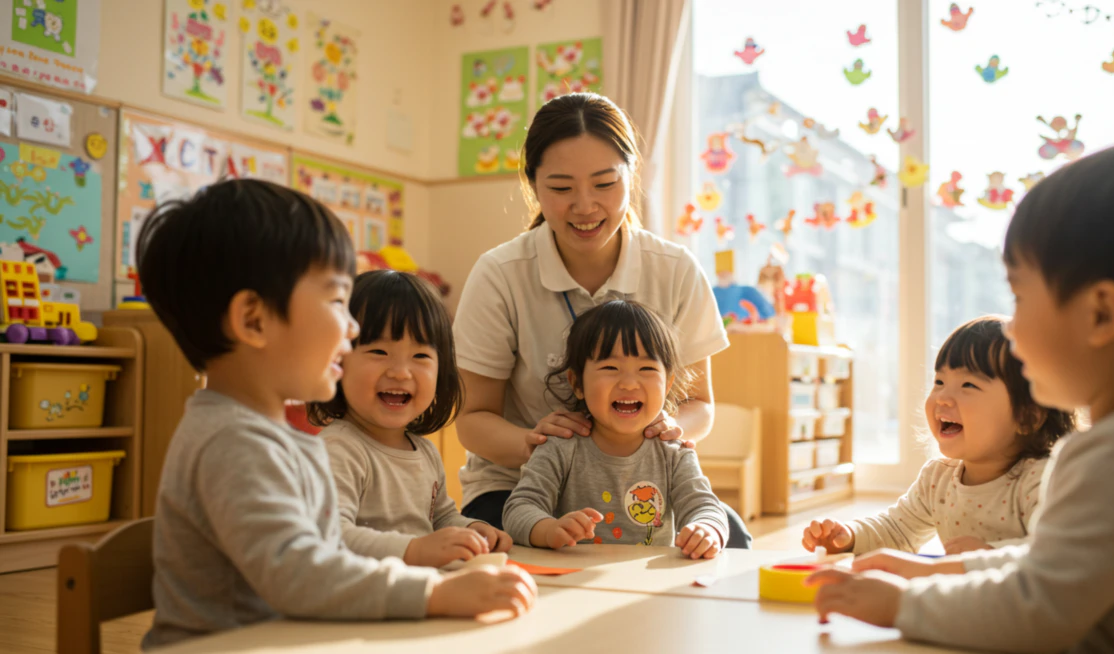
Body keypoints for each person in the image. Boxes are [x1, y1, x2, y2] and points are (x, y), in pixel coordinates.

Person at [809, 145, 1114, 652]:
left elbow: (1037, 606)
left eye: (1019, 297)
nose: (1011, 329)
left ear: (1101, 314)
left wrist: (902, 605)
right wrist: (937, 569)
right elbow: (1050, 559)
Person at [137, 180, 535, 649]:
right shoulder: (233, 444)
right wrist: (434, 592)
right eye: (335, 302)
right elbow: (301, 574)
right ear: (253, 320)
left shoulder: (264, 436)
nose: (350, 331)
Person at [453, 93, 751, 548]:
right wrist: (535, 443)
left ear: (631, 177)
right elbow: (473, 419)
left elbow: (699, 404)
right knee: (509, 554)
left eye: (604, 183)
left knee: (729, 538)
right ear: (533, 185)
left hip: (638, 483)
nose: (585, 205)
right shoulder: (500, 274)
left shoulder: (674, 269)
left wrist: (673, 430)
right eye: (561, 187)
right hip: (518, 487)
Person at [803, 316, 1074, 556]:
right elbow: (897, 530)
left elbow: (1054, 550)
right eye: (939, 382)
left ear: (1026, 417)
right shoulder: (938, 479)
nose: (942, 398)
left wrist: (990, 553)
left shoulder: (1039, 479)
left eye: (968, 384)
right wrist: (848, 536)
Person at [309, 270, 512, 568]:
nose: (401, 372)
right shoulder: (339, 449)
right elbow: (331, 534)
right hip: (366, 598)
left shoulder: (424, 451)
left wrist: (470, 529)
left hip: (420, 592)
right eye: (379, 351)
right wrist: (414, 550)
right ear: (338, 360)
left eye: (420, 356)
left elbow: (441, 516)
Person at [503, 300, 729, 558]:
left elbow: (705, 506)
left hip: (650, 584)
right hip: (573, 581)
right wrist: (548, 529)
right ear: (577, 383)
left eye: (647, 369)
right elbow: (519, 508)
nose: (630, 384)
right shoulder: (560, 446)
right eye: (610, 368)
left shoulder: (674, 454)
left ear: (667, 384)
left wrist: (707, 529)